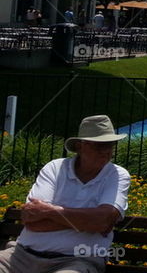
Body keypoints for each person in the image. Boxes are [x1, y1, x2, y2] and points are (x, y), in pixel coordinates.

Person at [0, 115, 130, 273]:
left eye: (110, 145)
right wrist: (88, 223)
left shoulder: (117, 175)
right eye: (99, 145)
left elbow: (102, 221)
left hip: (77, 261)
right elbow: (31, 220)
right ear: (80, 146)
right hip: (22, 255)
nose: (106, 151)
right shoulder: (54, 168)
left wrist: (49, 211)